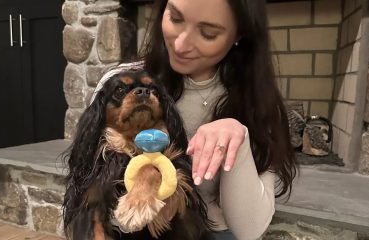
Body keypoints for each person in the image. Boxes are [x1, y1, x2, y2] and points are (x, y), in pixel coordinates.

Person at [93, 0, 297, 239]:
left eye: (208, 33)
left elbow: (250, 230)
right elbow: (95, 194)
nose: (180, 44)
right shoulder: (121, 84)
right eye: (176, 18)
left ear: (239, 34)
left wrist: (237, 139)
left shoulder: (256, 101)